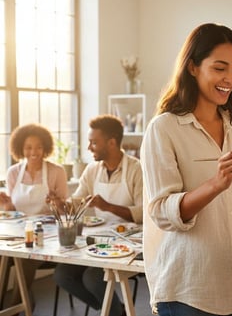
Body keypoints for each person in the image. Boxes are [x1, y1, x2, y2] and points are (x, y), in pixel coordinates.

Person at [140, 23, 232, 316]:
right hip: (190, 289)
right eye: (220, 68)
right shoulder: (164, 128)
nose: (230, 78)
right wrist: (215, 184)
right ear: (193, 67)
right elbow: (160, 211)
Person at [54, 114, 143, 316]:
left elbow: (143, 214)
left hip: (131, 243)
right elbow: (77, 202)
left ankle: (111, 312)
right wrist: (61, 204)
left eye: (94, 142)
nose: (89, 148)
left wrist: (108, 206)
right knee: (62, 274)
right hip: (99, 241)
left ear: (112, 143)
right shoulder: (92, 169)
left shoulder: (136, 169)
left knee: (93, 278)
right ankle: (114, 311)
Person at [0, 123, 68, 307]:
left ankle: (16, 307)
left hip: (47, 236)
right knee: (4, 259)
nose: (34, 151)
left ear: (45, 147)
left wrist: (58, 204)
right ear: (20, 148)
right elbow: (13, 212)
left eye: (38, 146)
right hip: (18, 233)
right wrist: (7, 206)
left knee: (25, 259)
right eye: (28, 147)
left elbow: (67, 213)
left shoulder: (56, 172)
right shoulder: (13, 173)